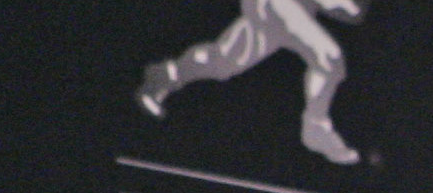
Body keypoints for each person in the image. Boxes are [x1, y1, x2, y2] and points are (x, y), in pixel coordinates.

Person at [138, 0, 365, 166]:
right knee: (329, 56)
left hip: (290, 8)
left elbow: (354, 12)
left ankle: (166, 75)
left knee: (222, 61)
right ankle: (315, 126)